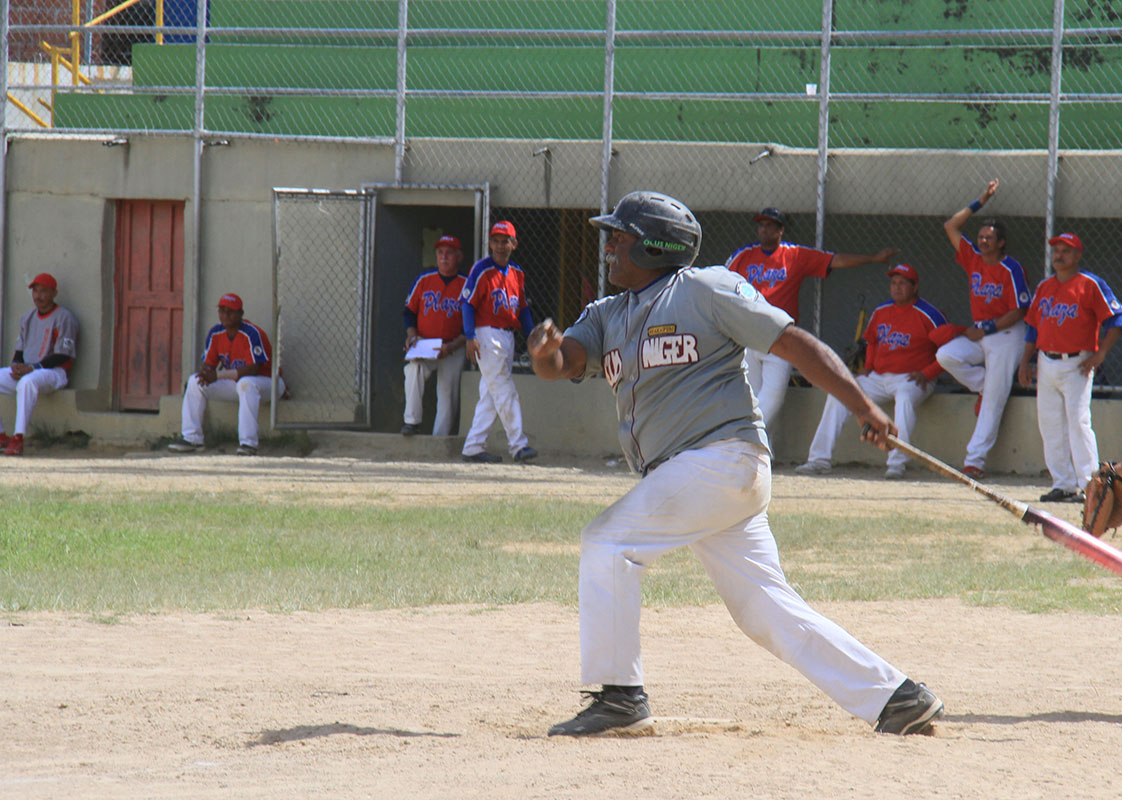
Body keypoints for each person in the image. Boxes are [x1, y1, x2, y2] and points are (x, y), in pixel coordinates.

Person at [529, 191, 943, 738]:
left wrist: (863, 406)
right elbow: (565, 363)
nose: (609, 246)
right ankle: (897, 697)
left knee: (607, 541)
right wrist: (543, 355)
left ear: (653, 245)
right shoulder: (608, 314)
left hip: (722, 458)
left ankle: (619, 697)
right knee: (763, 609)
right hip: (695, 478)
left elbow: (793, 344)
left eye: (620, 237)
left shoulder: (706, 289)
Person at [725, 207, 899, 439]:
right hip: (748, 334)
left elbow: (834, 260)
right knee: (752, 396)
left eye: (770, 225)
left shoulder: (794, 255)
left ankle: (744, 439)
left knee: (773, 397)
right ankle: (760, 451)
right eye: (761, 225)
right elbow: (723, 282)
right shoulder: (743, 255)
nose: (764, 229)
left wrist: (872, 258)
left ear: (781, 230)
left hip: (780, 336)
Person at [795, 263, 953, 480]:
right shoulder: (882, 311)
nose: (897, 287)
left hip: (913, 378)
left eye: (903, 283)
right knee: (839, 392)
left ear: (914, 287)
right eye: (893, 283)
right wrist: (868, 367)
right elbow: (873, 342)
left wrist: (928, 373)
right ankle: (818, 460)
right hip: (878, 377)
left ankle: (897, 463)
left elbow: (950, 351)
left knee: (905, 398)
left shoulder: (929, 314)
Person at [1018, 233, 1122, 503]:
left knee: (1078, 422)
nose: (1059, 255)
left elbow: (1117, 319)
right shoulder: (1044, 287)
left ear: (1077, 256)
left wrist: (1100, 353)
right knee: (1050, 424)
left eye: (1066, 251)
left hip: (1078, 362)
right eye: (1056, 250)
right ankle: (1064, 484)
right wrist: (1024, 362)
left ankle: (1091, 484)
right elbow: (1033, 327)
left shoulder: (1090, 284)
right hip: (1045, 361)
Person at [935, 179, 1032, 479]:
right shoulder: (973, 259)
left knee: (993, 402)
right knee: (946, 356)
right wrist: (981, 200)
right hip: (982, 333)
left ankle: (974, 461)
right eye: (981, 236)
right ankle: (985, 386)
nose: (983, 241)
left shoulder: (1011, 268)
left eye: (989, 238)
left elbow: (1020, 310)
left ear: (1001, 242)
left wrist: (987, 327)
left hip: (1006, 333)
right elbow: (951, 226)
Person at [167, 293, 284, 456]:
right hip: (238, 385)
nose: (225, 315)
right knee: (195, 381)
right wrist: (205, 372)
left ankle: (248, 444)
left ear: (241, 314)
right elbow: (209, 365)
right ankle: (192, 438)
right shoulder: (216, 332)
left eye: (230, 311)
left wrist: (217, 376)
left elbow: (253, 369)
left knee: (247, 383)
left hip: (268, 383)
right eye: (222, 311)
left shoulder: (251, 333)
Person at [460, 221, 537, 463]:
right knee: (504, 389)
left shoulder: (517, 272)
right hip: (486, 334)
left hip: (507, 335)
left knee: (491, 394)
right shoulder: (482, 269)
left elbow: (522, 308)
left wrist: (532, 335)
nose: (500, 246)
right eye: (496, 240)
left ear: (514, 244)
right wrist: (470, 336)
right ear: (490, 243)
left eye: (505, 241)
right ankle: (518, 445)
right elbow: (468, 304)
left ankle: (473, 446)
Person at [0, 273, 80, 456]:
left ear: (54, 293)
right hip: (29, 370)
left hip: (55, 373)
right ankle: (2, 436)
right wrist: (16, 366)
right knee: (14, 377)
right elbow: (19, 351)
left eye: (43, 291)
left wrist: (32, 368)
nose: (38, 296)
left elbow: (62, 355)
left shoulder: (64, 317)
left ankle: (18, 438)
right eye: (35, 291)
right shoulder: (27, 318)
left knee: (26, 382)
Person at [401, 234, 468, 436]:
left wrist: (453, 346)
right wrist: (412, 336)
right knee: (413, 371)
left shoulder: (467, 284)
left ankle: (440, 439)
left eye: (449, 253)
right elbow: (409, 312)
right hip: (425, 344)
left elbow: (472, 323)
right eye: (440, 252)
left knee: (448, 394)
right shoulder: (424, 280)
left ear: (459, 257)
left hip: (453, 346)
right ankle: (411, 422)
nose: (444, 257)